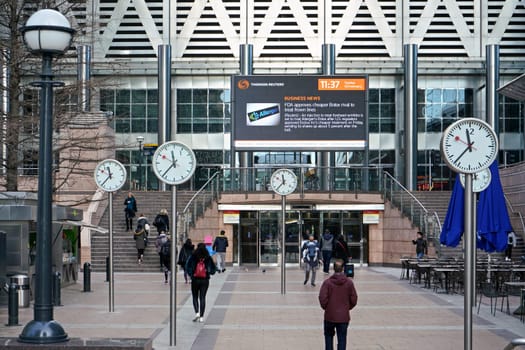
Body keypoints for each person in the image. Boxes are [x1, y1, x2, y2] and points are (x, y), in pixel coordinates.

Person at [318, 259, 358, 350]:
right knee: (342, 339)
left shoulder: (327, 283)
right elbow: (354, 299)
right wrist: (347, 307)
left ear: (333, 269)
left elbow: (322, 298)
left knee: (328, 337)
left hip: (330, 316)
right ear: (343, 269)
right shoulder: (349, 283)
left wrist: (327, 308)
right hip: (343, 316)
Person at [185, 242, 217, 323]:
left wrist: (191, 273)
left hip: (195, 279)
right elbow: (213, 269)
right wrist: (208, 272)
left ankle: (197, 313)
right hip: (205, 280)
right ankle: (202, 317)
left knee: (195, 296)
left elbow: (187, 266)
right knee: (202, 297)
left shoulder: (193, 256)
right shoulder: (208, 257)